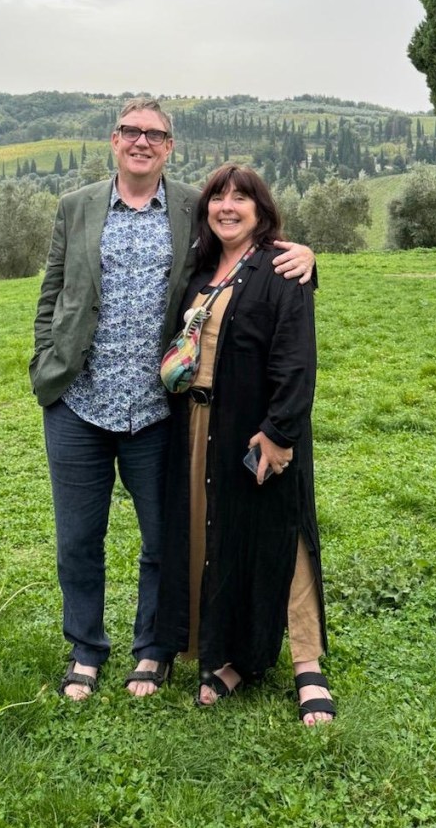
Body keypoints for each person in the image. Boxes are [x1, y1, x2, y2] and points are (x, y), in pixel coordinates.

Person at [30, 99, 316, 701]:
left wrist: (308, 260)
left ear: (169, 146)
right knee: (79, 539)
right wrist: (44, 365)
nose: (141, 141)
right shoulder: (76, 206)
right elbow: (52, 291)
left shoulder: (193, 206)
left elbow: (249, 249)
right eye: (131, 132)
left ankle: (153, 650)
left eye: (154, 134)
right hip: (78, 405)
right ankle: (85, 649)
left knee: (163, 541)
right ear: (114, 140)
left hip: (159, 413)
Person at [154, 164, 335, 725]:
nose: (226, 206)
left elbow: (296, 357)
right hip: (199, 425)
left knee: (284, 537)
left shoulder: (281, 267)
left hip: (260, 428)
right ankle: (234, 657)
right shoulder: (201, 270)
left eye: (241, 198)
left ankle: (308, 665)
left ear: (261, 210)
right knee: (221, 540)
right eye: (217, 197)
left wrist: (279, 433)